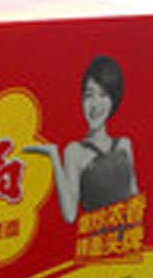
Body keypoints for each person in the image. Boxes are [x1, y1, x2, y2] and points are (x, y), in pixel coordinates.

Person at [24, 56, 138, 223]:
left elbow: (134, 196)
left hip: (127, 235)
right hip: (96, 236)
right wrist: (54, 157)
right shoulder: (74, 151)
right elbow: (70, 215)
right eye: (89, 95)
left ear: (113, 100)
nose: (95, 105)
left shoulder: (124, 145)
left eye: (103, 95)